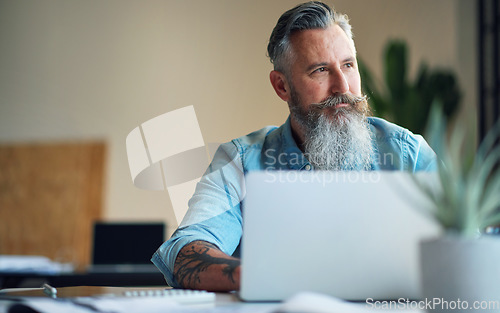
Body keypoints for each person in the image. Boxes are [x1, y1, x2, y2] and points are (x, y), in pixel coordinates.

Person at [151, 1, 436, 291]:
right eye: (321, 70)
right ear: (282, 87)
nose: (343, 87)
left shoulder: (408, 155)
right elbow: (185, 250)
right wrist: (267, 276)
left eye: (348, 65)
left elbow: (466, 246)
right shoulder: (241, 162)